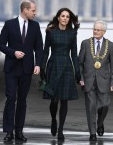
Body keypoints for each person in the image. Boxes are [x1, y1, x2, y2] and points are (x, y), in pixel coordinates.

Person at [0, 0, 43, 142]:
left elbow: (39, 47)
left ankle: (19, 131)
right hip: (11, 68)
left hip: (27, 69)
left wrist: (38, 64)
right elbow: (0, 45)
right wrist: (13, 52)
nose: (35, 13)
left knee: (22, 101)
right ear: (25, 10)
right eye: (33, 10)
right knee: (11, 98)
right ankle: (9, 131)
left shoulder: (35, 26)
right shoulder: (9, 24)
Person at [40, 8, 80, 141]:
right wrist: (42, 67)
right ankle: (53, 120)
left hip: (67, 67)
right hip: (53, 65)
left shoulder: (72, 33)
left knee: (64, 100)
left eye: (67, 17)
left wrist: (77, 71)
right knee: (54, 100)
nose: (65, 18)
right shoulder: (51, 31)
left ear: (69, 19)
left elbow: (74, 53)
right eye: (63, 16)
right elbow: (46, 51)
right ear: (58, 17)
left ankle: (61, 129)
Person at [78, 20, 113, 141]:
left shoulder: (110, 45)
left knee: (105, 105)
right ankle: (92, 133)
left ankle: (100, 123)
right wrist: (80, 78)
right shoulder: (85, 43)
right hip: (89, 80)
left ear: (104, 31)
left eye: (98, 30)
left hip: (104, 80)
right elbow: (79, 63)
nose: (95, 31)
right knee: (91, 107)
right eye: (94, 29)